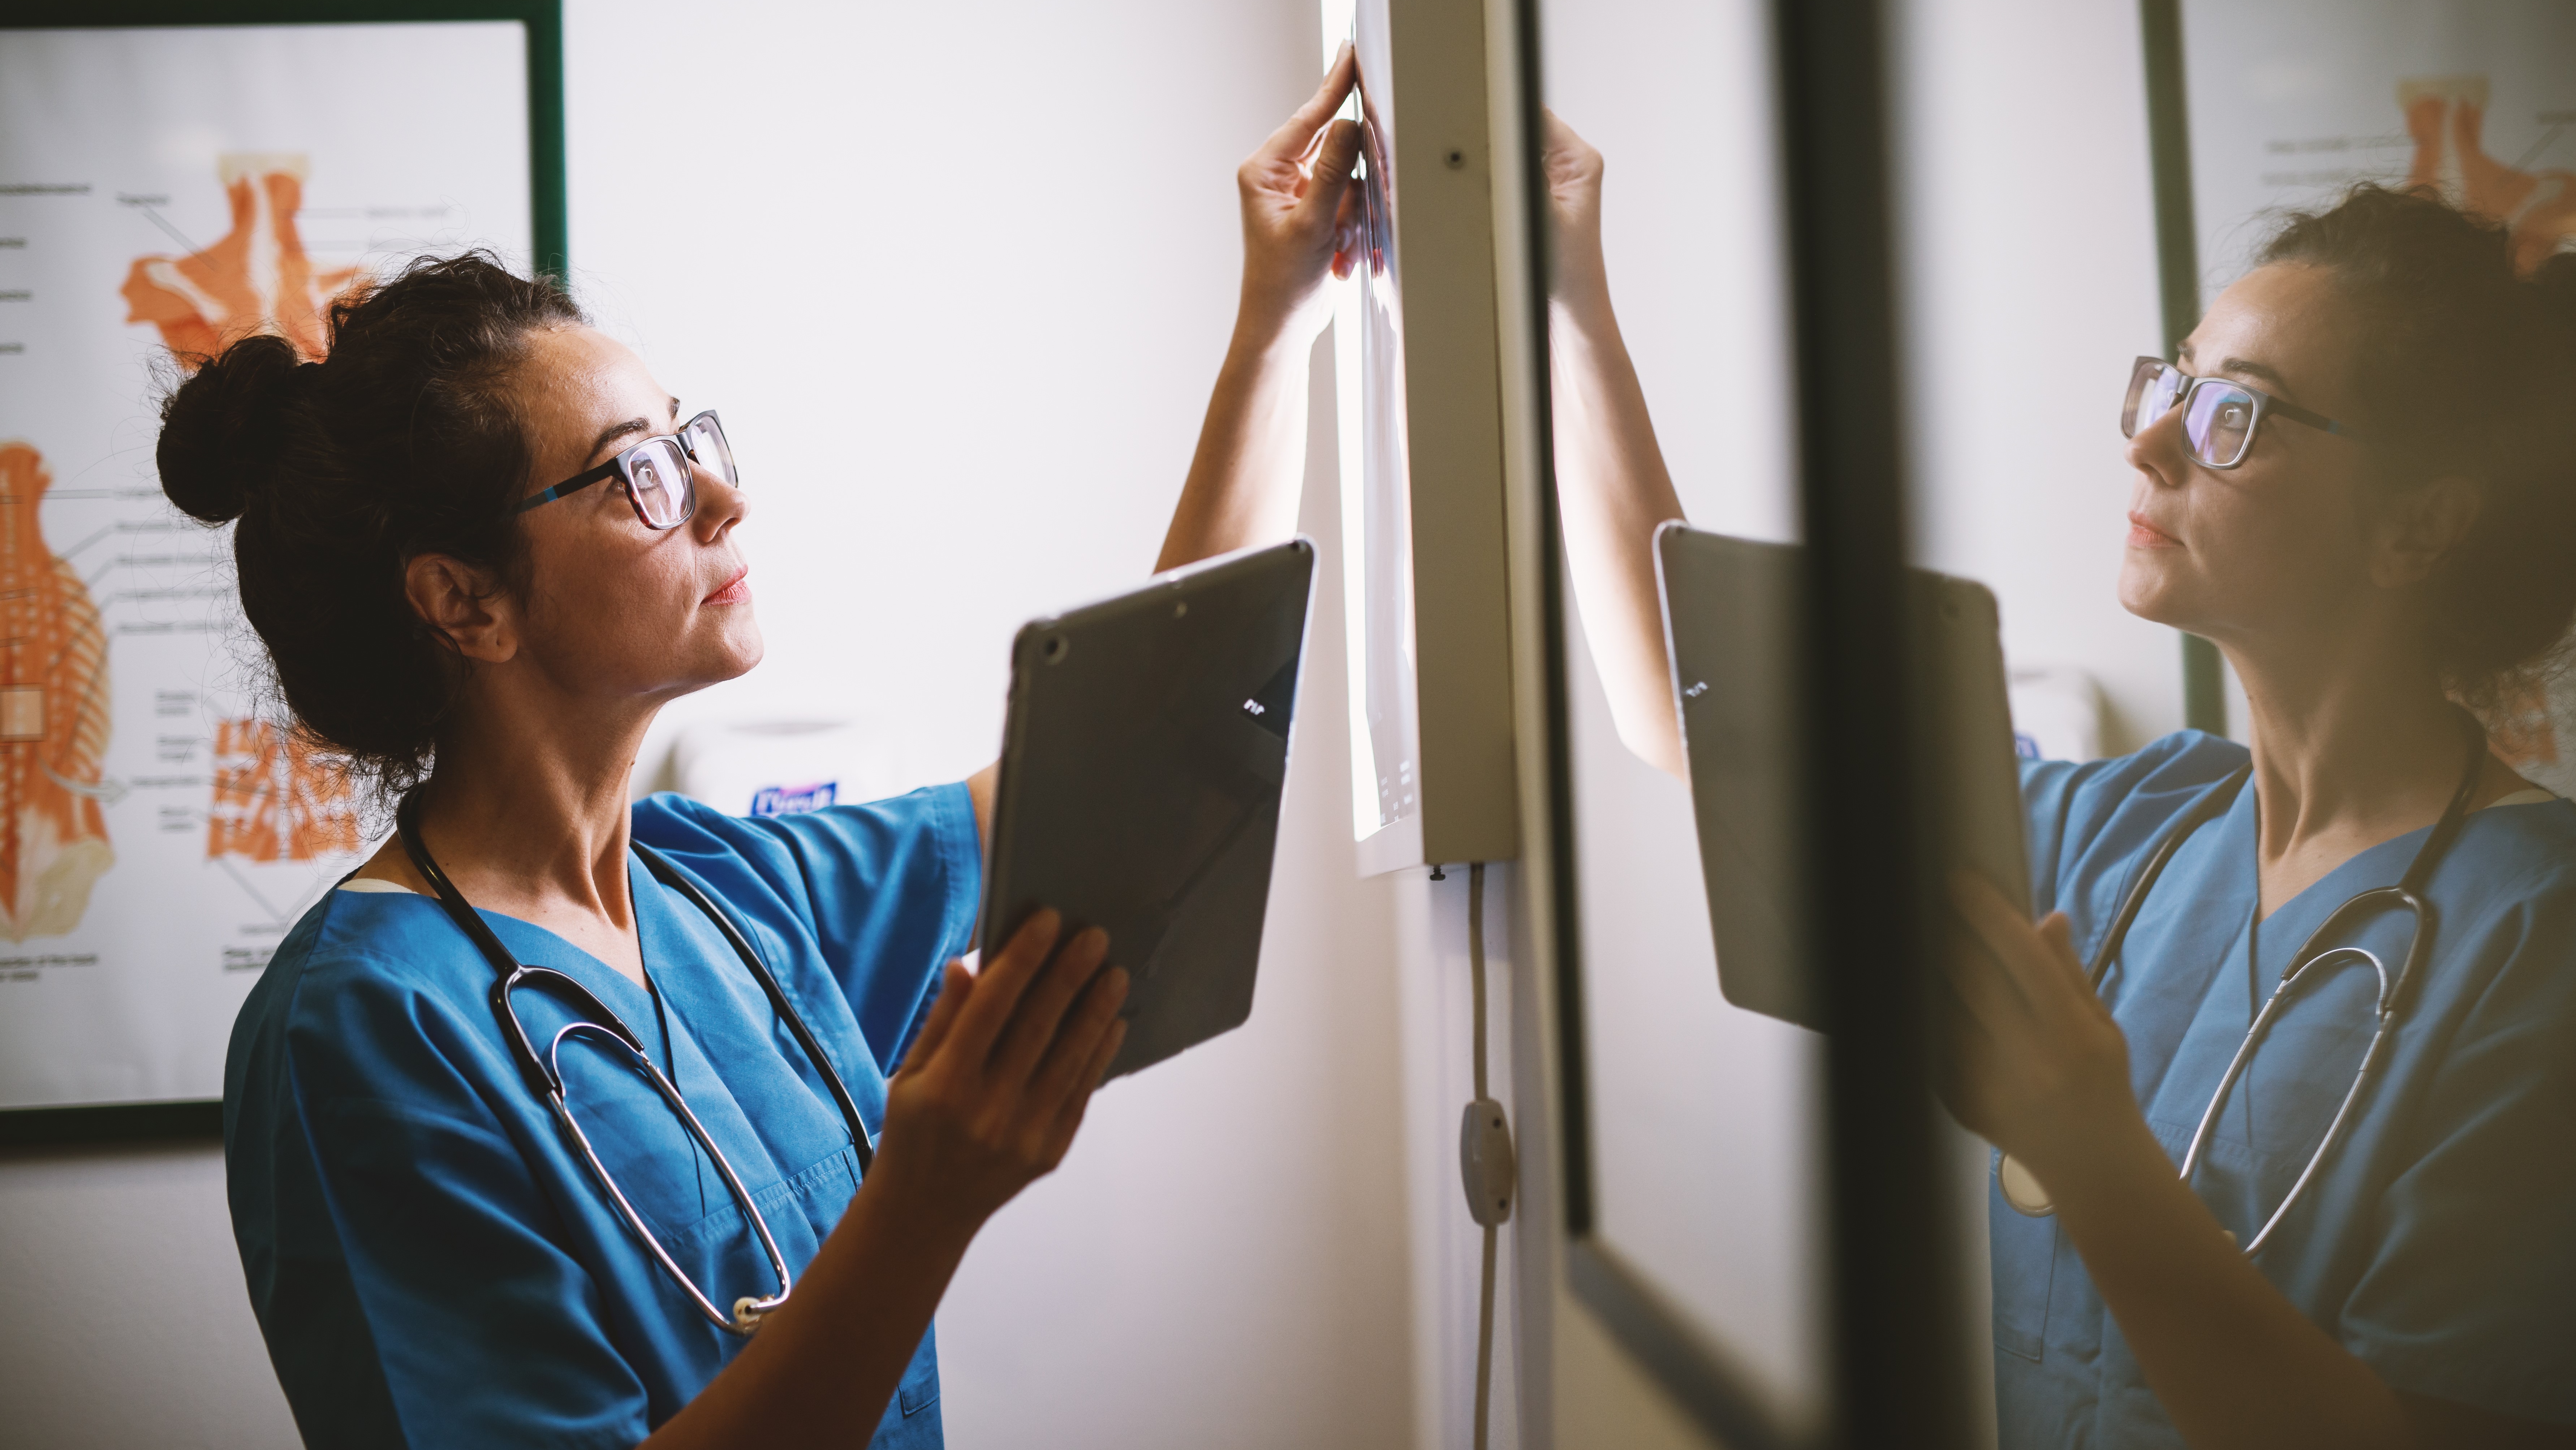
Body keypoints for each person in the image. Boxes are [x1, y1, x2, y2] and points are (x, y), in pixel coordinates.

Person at [163, 51, 1365, 1450]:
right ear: (463, 599)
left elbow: (1144, 757)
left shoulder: (720, 892)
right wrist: (921, 1208)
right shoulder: (363, 1032)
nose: (723, 498)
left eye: (693, 440)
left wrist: (1279, 320)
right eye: (640, 473)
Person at [1542, 109, 2576, 1449]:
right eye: (2171, 384)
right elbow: (1693, 727)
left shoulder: (2538, 940)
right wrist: (1569, 290)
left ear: (2420, 525)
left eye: (2233, 417)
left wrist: (2088, 1152)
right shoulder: (2130, 834)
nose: (2148, 445)